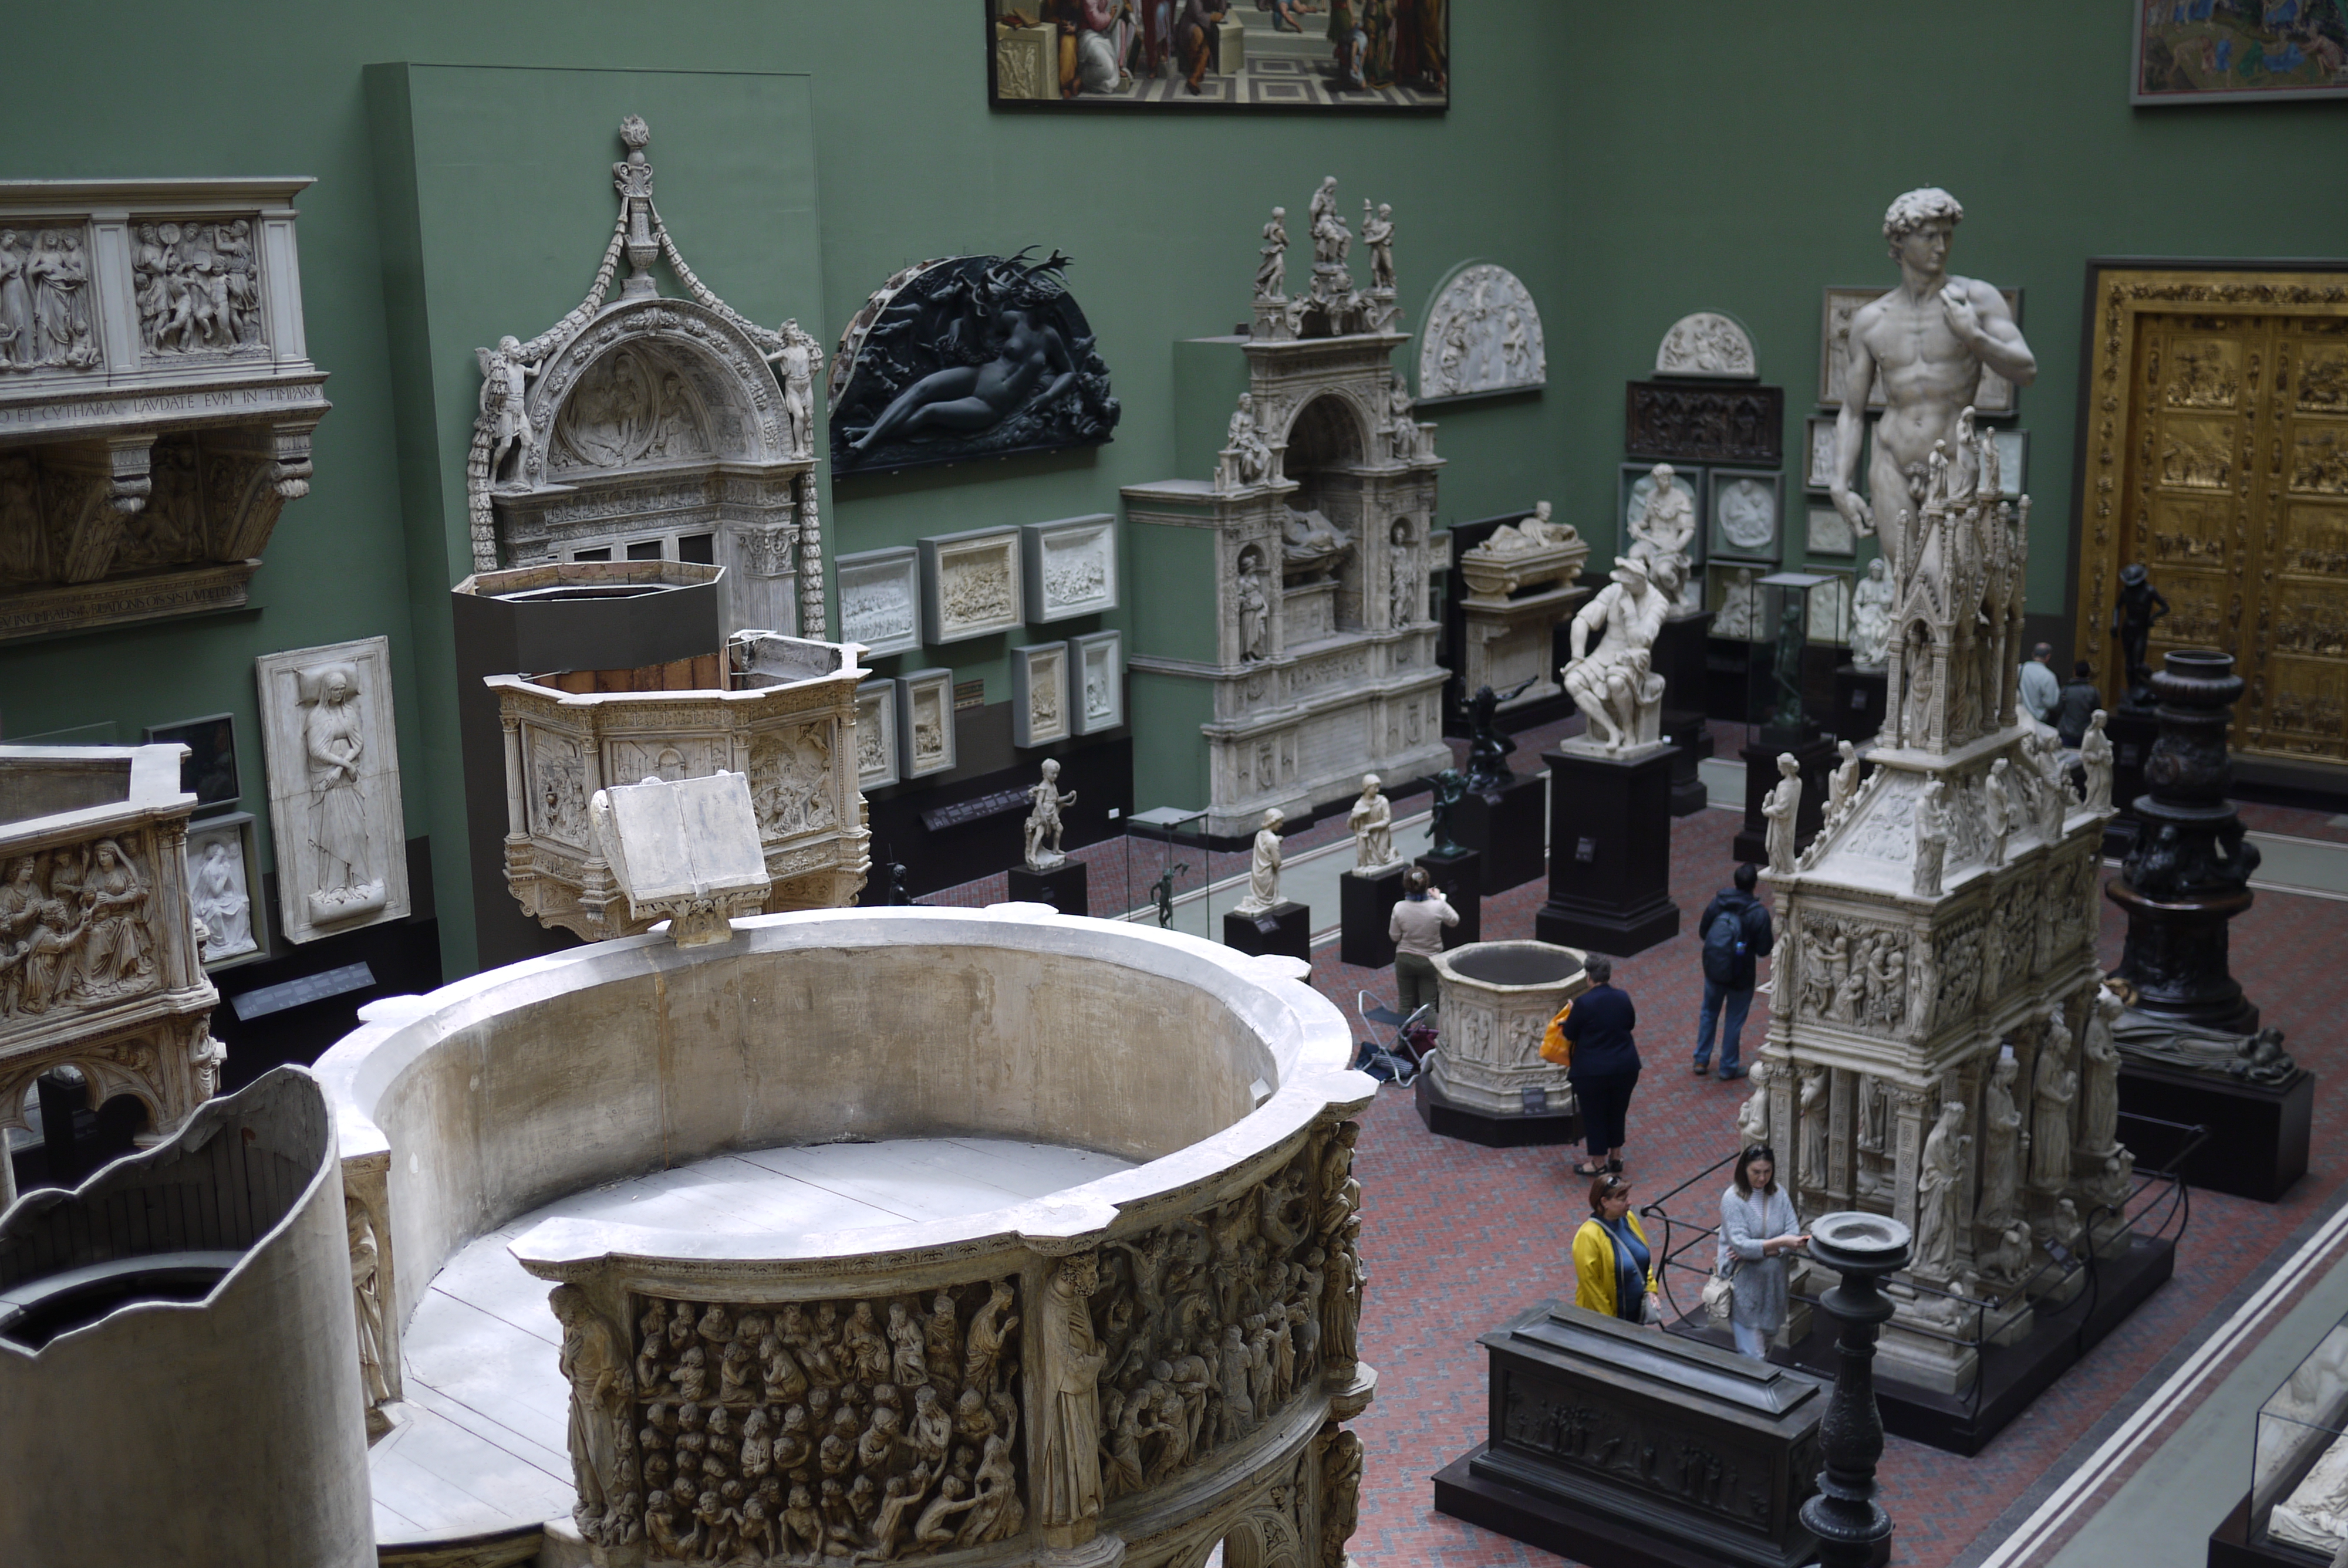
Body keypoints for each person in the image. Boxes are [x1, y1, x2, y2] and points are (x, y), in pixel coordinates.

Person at [1717, 1145, 1807, 1360]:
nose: (1762, 1178)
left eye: (1767, 1171)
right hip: (1745, 1290)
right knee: (1754, 1358)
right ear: (1744, 1170)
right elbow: (1741, 1245)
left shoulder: (1779, 1193)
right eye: (1756, 1172)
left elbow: (1793, 1232)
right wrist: (1780, 1243)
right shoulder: (1732, 1199)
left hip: (1774, 1289)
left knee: (1766, 1351)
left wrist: (1761, 1250)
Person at [1562, 954, 1639, 1178]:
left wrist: (1573, 1013)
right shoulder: (1623, 997)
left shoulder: (1584, 1003)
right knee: (1617, 1111)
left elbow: (1569, 1033)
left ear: (1589, 977)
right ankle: (1616, 1156)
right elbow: (1630, 1023)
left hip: (1592, 1071)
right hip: (1625, 1066)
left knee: (1594, 1114)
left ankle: (1598, 1163)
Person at [1694, 864, 1773, 1080]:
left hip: (1715, 971)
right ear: (1754, 885)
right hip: (1742, 975)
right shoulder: (1759, 914)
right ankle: (1728, 1067)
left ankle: (1701, 1059)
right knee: (1734, 1021)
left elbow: (1704, 932)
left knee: (1709, 1013)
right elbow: (1764, 950)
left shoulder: (1718, 902)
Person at [1573, 1172, 1659, 1327]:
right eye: (1623, 1199)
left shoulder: (1629, 1219)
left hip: (1635, 1319)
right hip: (1607, 1323)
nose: (1630, 1202)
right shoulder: (1588, 1235)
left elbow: (1642, 1260)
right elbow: (1591, 1286)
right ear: (1604, 1202)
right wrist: (1611, 1324)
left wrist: (1651, 1289)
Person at [1386, 867, 1456, 1020]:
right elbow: (1454, 920)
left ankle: (1403, 1035)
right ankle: (1428, 1036)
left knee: (1405, 1002)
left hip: (1405, 959)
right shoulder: (1437, 906)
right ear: (1427, 886)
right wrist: (1438, 899)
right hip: (1429, 961)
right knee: (1429, 1005)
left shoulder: (1399, 907)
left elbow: (1394, 937)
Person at [2052, 658, 2101, 748]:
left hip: (2067, 731)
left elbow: (2059, 709)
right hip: (2086, 732)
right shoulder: (2094, 692)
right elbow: (2097, 711)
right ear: (2088, 673)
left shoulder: (2066, 690)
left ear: (2075, 672)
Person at [2019, 642, 2059, 725]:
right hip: (2039, 719)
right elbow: (2051, 703)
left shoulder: (2020, 670)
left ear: (2033, 655)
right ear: (2048, 657)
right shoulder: (2049, 676)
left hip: (2020, 716)